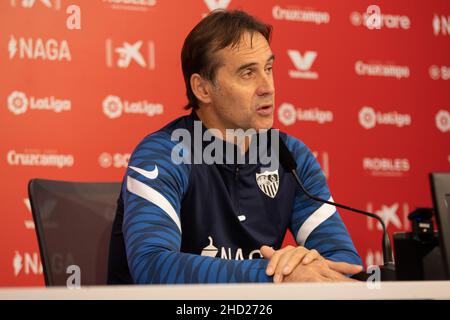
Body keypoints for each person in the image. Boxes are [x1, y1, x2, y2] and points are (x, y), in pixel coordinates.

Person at [107, 9, 363, 284]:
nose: (267, 87)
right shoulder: (162, 154)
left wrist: (302, 265)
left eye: (268, 69)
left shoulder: (289, 156)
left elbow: (346, 267)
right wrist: (280, 275)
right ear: (202, 89)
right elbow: (153, 267)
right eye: (247, 73)